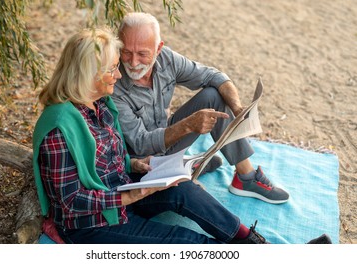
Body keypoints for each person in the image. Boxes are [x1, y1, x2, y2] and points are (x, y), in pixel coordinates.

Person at [32, 27, 331, 245]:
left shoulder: (99, 103)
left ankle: (256, 245)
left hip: (120, 191)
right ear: (88, 74)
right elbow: (71, 203)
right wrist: (132, 194)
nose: (120, 74)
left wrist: (137, 167)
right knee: (181, 241)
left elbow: (113, 159)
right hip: (91, 224)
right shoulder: (60, 128)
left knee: (186, 191)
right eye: (112, 70)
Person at [112, 12, 289, 204]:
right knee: (187, 195)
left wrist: (237, 109)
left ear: (158, 49)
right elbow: (140, 143)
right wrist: (188, 126)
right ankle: (187, 165)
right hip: (142, 162)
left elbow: (214, 76)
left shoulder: (167, 59)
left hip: (166, 137)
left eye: (142, 54)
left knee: (213, 95)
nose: (133, 62)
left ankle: (245, 177)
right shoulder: (114, 81)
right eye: (127, 52)